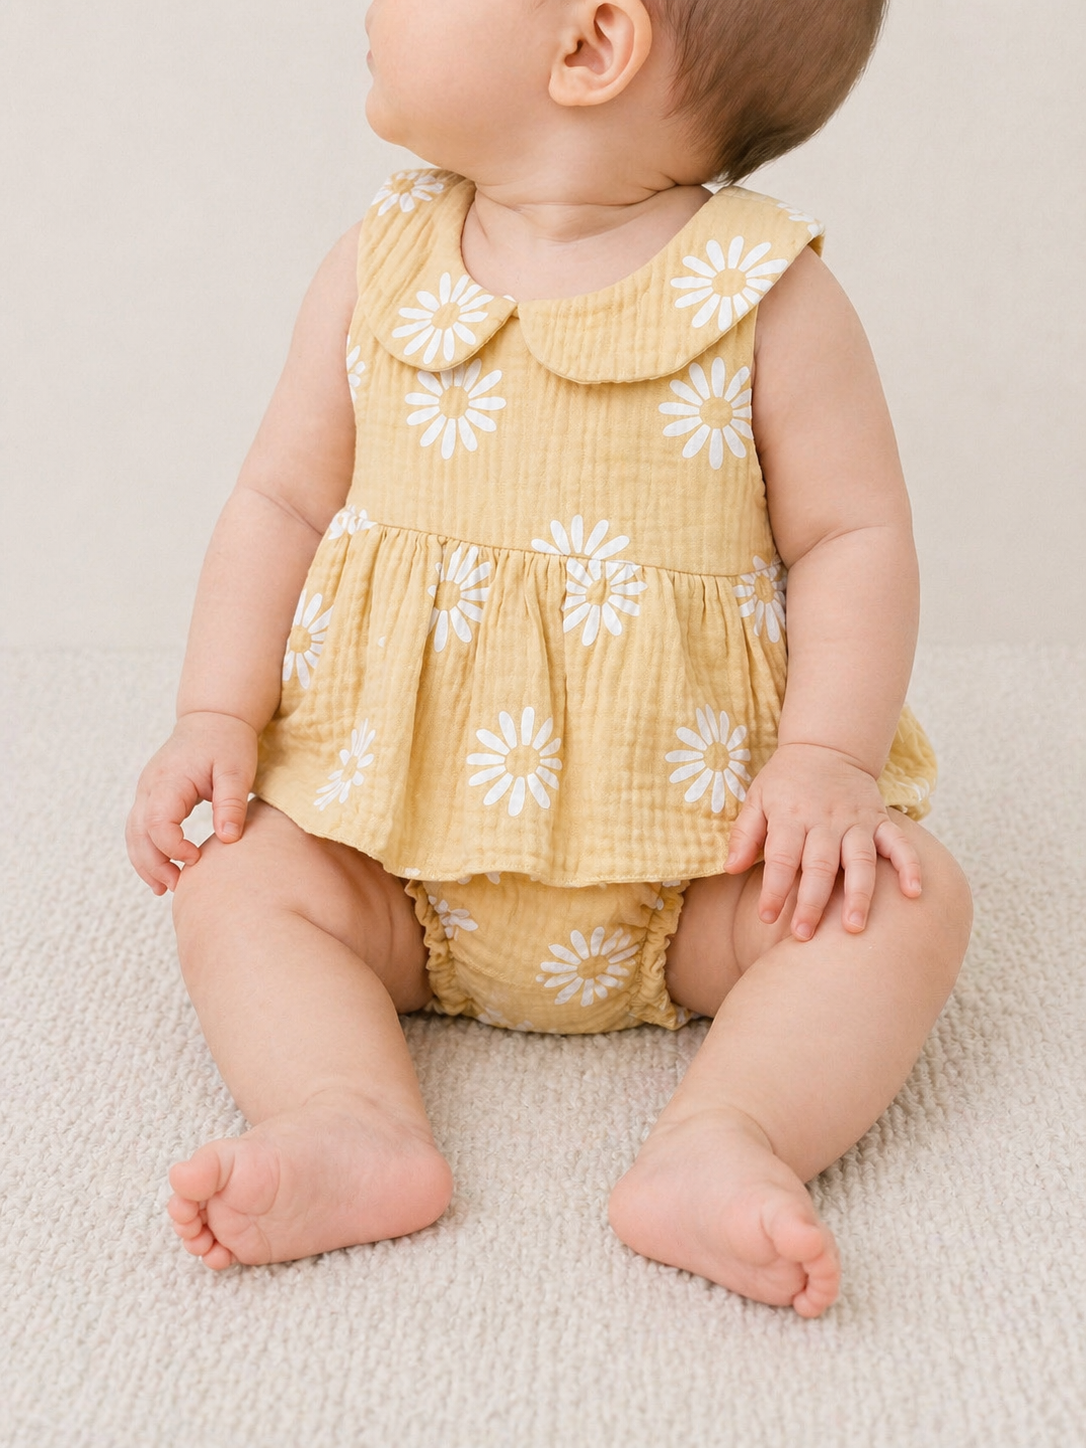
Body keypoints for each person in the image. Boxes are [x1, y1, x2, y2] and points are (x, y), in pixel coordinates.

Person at [126, 0, 973, 1317]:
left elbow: (851, 533)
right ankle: (345, 1117)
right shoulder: (380, 260)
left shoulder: (763, 290)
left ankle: (725, 1136)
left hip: (693, 873)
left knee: (904, 907)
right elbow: (280, 501)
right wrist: (214, 713)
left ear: (590, 45)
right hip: (389, 858)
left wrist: (824, 760)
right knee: (233, 877)